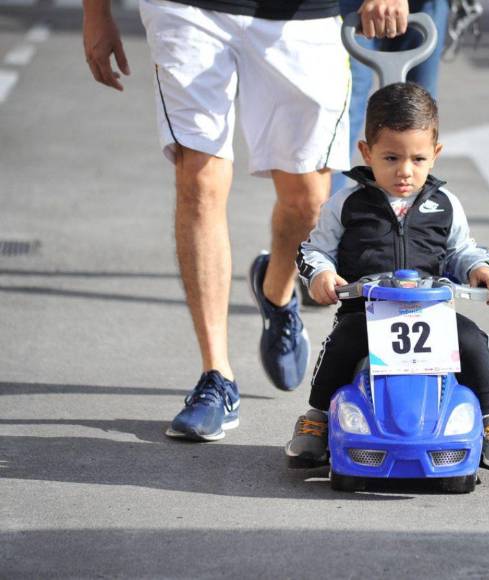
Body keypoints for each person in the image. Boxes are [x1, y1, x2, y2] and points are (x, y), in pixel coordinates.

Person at [81, 0, 409, 441]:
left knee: (309, 200)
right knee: (199, 181)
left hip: (301, 15)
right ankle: (216, 376)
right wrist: (95, 11)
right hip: (187, 10)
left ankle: (275, 292)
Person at [288, 82, 489, 469]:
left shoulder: (445, 204)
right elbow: (314, 250)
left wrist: (479, 268)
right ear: (366, 153)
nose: (404, 171)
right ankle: (316, 417)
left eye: (417, 159)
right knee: (342, 342)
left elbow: (461, 249)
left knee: (473, 339)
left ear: (435, 154)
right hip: (365, 312)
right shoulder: (345, 204)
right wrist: (322, 274)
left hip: (429, 314)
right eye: (391, 158)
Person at [331, 0, 449, 194]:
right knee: (342, 116)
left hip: (425, 6)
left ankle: (418, 216)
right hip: (352, 8)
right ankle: (328, 217)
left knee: (420, 121)